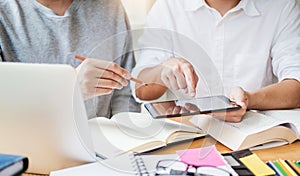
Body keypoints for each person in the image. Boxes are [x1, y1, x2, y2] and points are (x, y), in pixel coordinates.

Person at [132, 0, 300, 122]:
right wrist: (161, 73)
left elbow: (296, 84)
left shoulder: (281, 6)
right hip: (188, 132)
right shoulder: (168, 7)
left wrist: (249, 100)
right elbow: (141, 89)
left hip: (256, 132)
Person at [0, 0, 140, 119]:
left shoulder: (110, 7)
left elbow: (124, 96)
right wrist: (69, 89)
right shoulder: (4, 14)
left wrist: (128, 143)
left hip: (103, 146)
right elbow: (6, 111)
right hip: (29, 145)